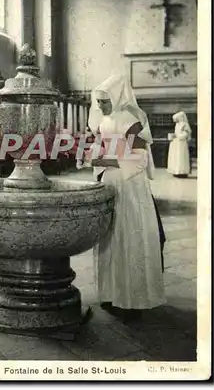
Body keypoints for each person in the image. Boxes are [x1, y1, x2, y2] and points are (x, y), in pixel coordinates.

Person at [79, 73, 166, 323]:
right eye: (98, 102)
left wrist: (101, 160)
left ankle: (132, 300)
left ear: (116, 98)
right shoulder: (106, 121)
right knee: (110, 239)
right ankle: (111, 294)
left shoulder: (130, 121)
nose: (100, 106)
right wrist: (95, 156)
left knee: (129, 236)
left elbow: (138, 159)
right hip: (111, 182)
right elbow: (102, 149)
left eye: (104, 101)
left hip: (129, 187)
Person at [167, 111, 192, 178]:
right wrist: (174, 136)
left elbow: (186, 134)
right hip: (176, 143)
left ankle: (182, 172)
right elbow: (177, 133)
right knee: (176, 157)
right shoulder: (177, 125)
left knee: (181, 156)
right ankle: (176, 171)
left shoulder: (184, 124)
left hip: (181, 143)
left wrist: (178, 136)